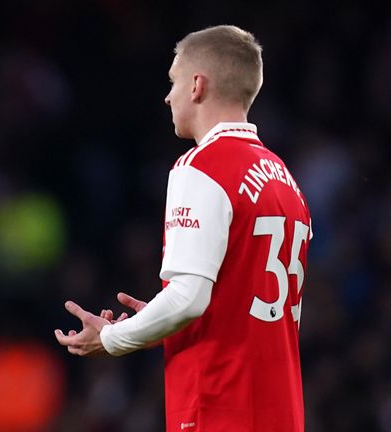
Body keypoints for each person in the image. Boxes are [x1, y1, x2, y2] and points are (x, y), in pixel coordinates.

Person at [55, 25, 311, 431]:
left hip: (218, 406)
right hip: (280, 411)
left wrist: (110, 339)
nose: (167, 95)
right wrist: (156, 320)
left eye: (173, 81)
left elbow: (190, 298)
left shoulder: (202, 167)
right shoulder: (286, 182)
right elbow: (232, 304)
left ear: (197, 85)